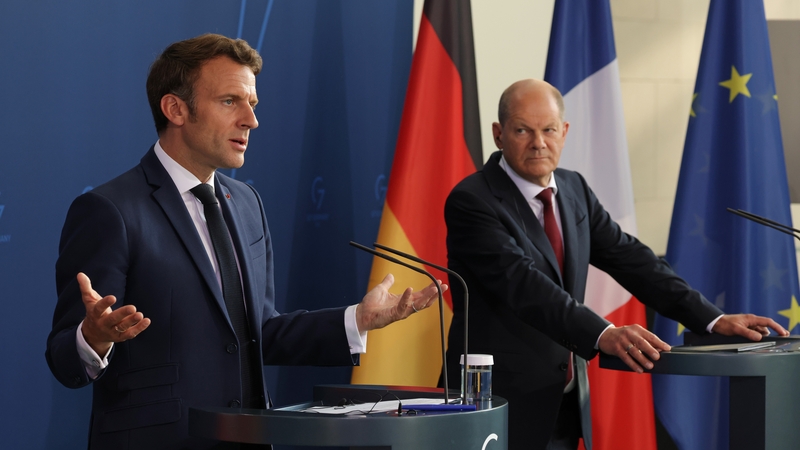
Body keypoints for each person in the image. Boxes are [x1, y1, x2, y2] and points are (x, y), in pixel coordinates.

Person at [45, 33, 445, 449]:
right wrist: (94, 337)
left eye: (251, 104)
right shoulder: (109, 210)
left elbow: (260, 331)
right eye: (230, 101)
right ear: (176, 108)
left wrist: (358, 319)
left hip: (249, 438)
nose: (250, 120)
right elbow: (63, 359)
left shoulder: (246, 202)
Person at [443, 78, 787, 450]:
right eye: (523, 130)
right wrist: (603, 333)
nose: (538, 143)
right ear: (498, 134)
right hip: (492, 401)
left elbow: (632, 259)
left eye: (549, 130)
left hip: (562, 402)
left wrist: (712, 319)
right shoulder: (472, 201)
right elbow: (525, 285)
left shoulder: (573, 189)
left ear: (565, 131)